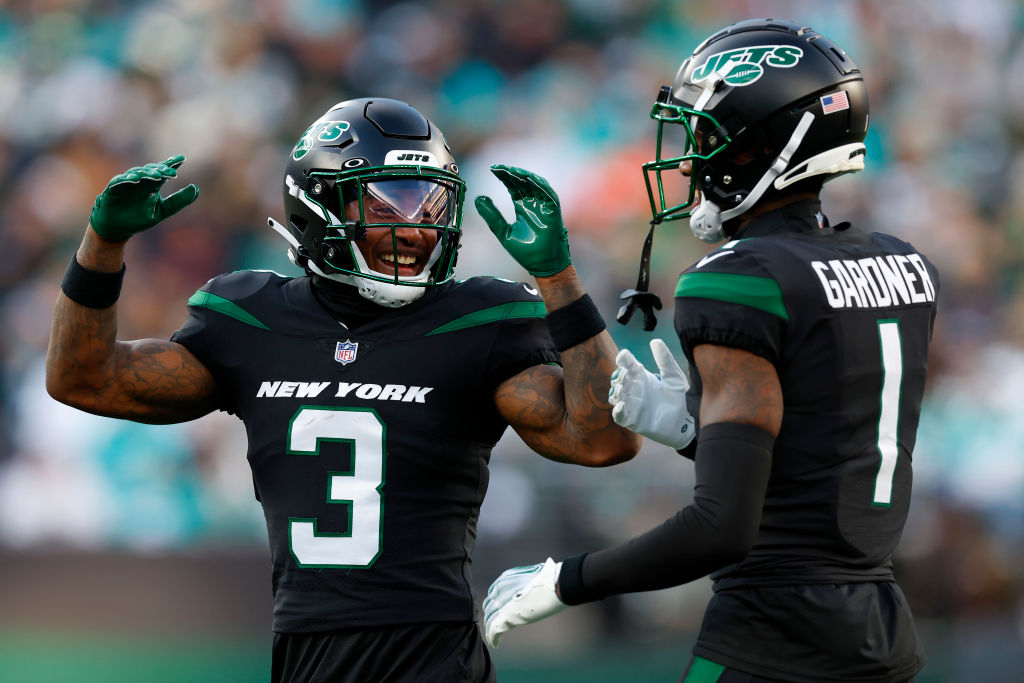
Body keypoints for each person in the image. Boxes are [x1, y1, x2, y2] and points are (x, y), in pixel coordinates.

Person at [45, 97, 640, 683]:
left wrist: (559, 279)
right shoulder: (249, 318)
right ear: (317, 204)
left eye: (429, 202)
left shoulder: (481, 319)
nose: (414, 226)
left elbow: (603, 441)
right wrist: (101, 246)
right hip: (305, 654)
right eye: (387, 203)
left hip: (431, 659)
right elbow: (83, 380)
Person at [483, 18, 937, 683]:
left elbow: (721, 527)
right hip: (882, 634)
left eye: (707, 136)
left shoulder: (740, 278)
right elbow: (819, 448)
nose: (692, 158)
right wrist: (697, 433)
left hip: (773, 639)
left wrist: (566, 580)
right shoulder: (902, 263)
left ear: (764, 147)